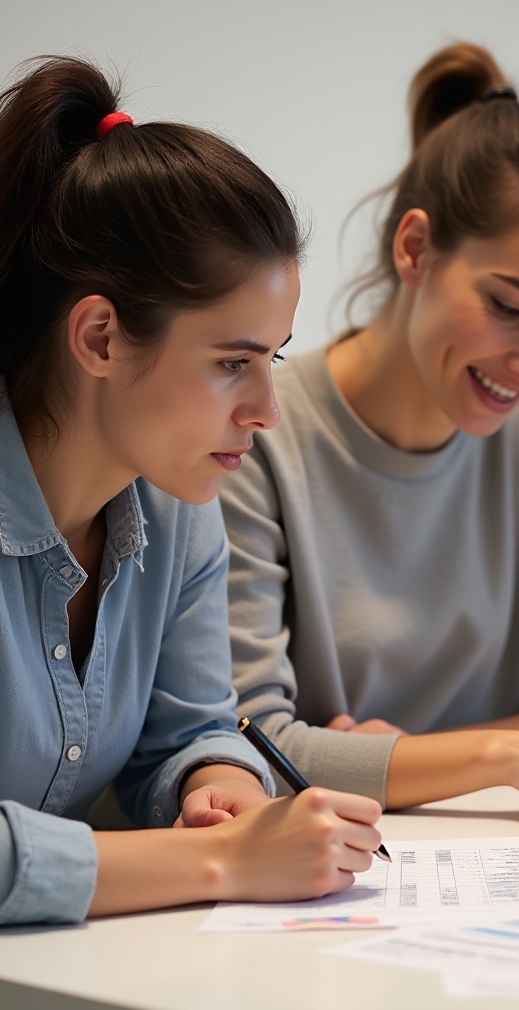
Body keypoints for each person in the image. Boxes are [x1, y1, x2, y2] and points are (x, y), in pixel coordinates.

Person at [221, 43, 519, 838]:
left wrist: (418, 758)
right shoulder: (259, 434)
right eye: (511, 307)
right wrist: (496, 756)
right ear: (415, 249)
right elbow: (250, 746)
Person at [0, 57, 382, 927]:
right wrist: (217, 856)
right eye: (233, 363)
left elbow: (191, 727)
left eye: (272, 359)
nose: (266, 411)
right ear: (99, 336)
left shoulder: (182, 509)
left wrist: (218, 786)